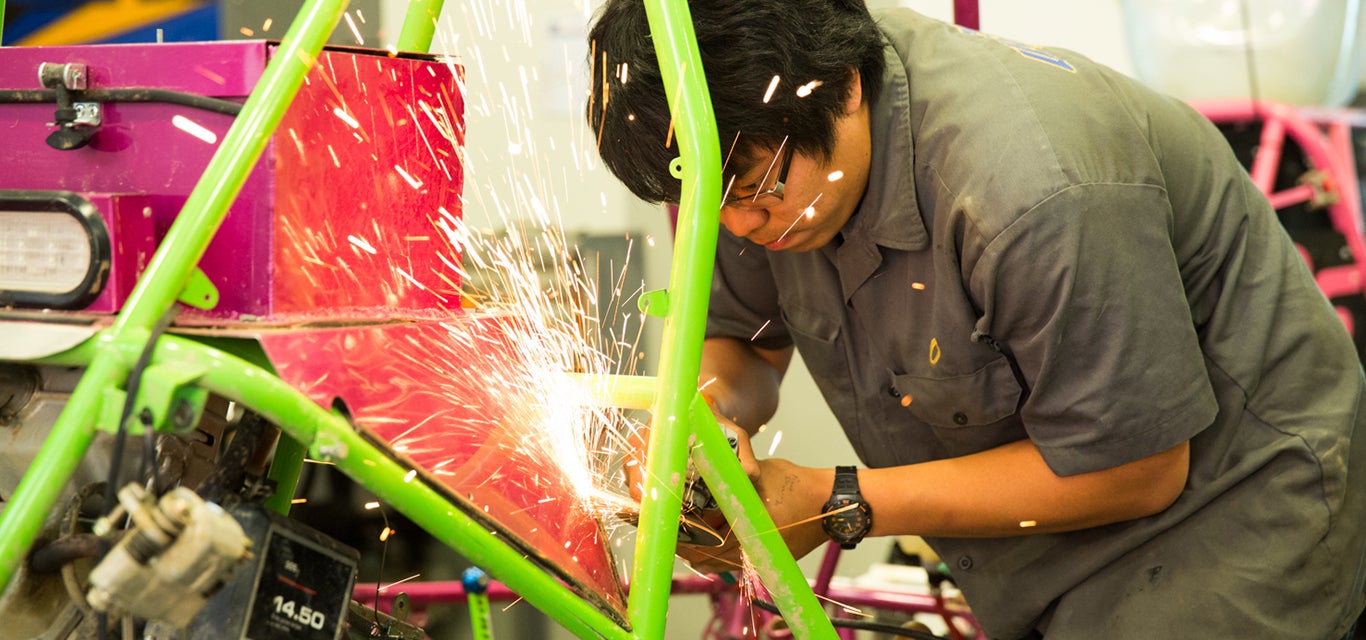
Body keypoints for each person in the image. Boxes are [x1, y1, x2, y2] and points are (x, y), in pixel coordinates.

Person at [586, 1, 1366, 638]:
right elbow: (742, 342)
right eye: (707, 205)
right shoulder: (751, 146)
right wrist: (709, 428)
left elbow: (1140, 467)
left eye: (757, 192)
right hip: (1037, 558)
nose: (741, 228)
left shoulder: (1029, 187)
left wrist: (837, 503)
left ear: (846, 89)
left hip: (1233, 521)